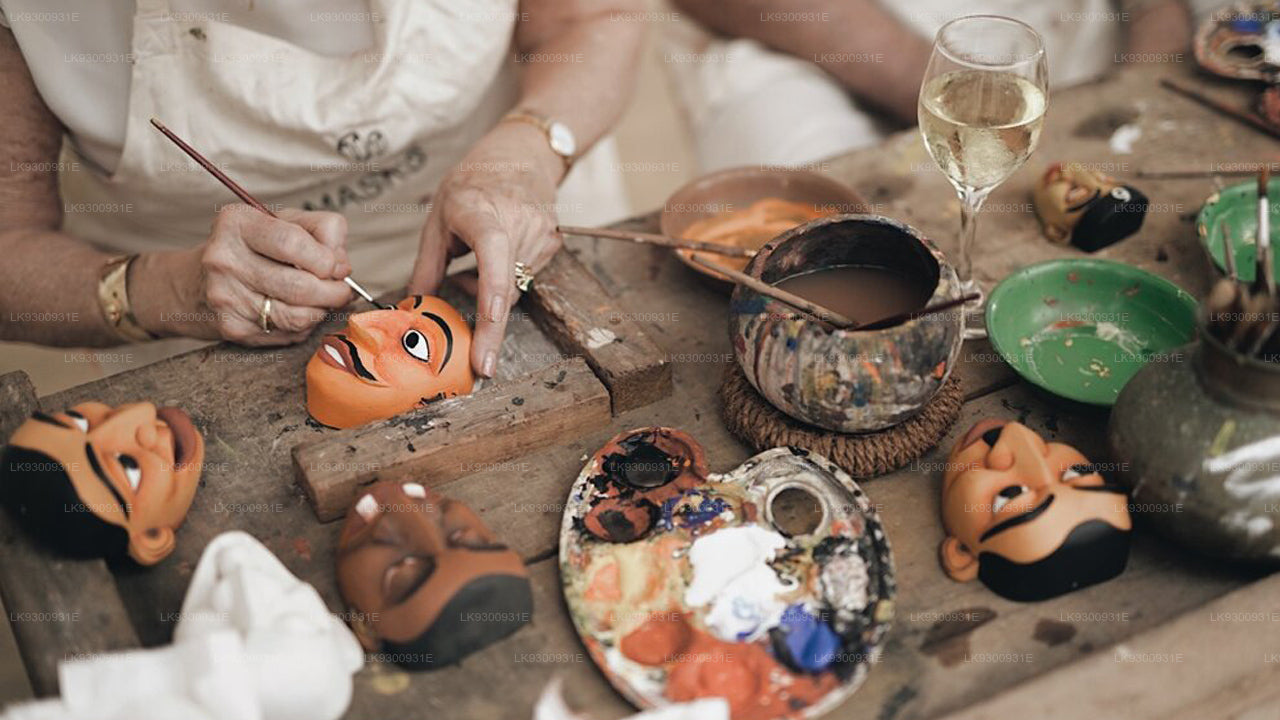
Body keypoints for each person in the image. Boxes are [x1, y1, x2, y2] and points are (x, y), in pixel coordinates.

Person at [0, 0, 643, 379]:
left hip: (516, 221)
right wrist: (163, 290)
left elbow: (592, 17)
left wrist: (530, 149)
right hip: (205, 314)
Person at [663, 0, 1205, 173]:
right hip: (810, 34)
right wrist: (953, 95)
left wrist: (1134, 92)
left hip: (1067, 25)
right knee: (807, 224)